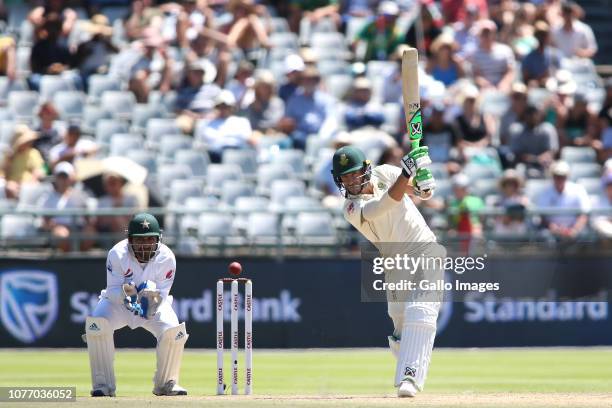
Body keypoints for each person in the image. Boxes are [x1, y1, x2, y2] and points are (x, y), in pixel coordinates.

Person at [331, 144, 442, 398]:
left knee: (421, 310)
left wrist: (425, 186)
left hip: (425, 249)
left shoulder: (386, 173)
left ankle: (409, 378)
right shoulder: (351, 209)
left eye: (354, 173)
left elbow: (416, 191)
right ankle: (408, 362)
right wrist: (406, 174)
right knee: (400, 329)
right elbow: (383, 205)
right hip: (394, 263)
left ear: (366, 169)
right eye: (345, 177)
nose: (350, 180)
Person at [84, 213, 188, 397]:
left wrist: (150, 302)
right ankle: (103, 384)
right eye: (139, 239)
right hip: (119, 306)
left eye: (150, 239)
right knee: (97, 325)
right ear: (129, 239)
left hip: (152, 306)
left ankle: (166, 384)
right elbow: (112, 289)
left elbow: (163, 295)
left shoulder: (167, 257)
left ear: (158, 239)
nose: (145, 244)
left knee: (174, 331)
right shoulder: (117, 253)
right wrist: (126, 295)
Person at [38, 161, 95, 252]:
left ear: (71, 178)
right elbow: (44, 221)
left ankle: (82, 258)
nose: (63, 180)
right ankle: (69, 258)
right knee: (62, 235)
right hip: (58, 228)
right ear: (56, 178)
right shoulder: (47, 198)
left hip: (79, 227)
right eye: (60, 177)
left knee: (89, 233)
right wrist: (52, 226)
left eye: (66, 177)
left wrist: (87, 226)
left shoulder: (80, 195)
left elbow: (88, 217)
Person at [536, 160, 590, 240]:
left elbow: (584, 214)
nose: (559, 179)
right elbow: (542, 216)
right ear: (552, 176)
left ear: (567, 176)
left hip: (575, 231)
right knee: (544, 236)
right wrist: (553, 227)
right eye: (557, 176)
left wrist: (575, 229)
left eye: (563, 176)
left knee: (585, 237)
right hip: (552, 232)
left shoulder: (578, 189)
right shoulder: (545, 192)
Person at [194, 90, 252, 162]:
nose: (222, 109)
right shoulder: (205, 123)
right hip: (215, 158)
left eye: (225, 106)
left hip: (238, 156)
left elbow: (248, 140)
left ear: (232, 107)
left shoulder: (242, 121)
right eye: (219, 106)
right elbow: (199, 145)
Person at [468, 19, 515, 93]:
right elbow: (476, 75)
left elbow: (510, 71)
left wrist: (504, 84)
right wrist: (486, 85)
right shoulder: (475, 54)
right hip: (483, 89)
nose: (486, 36)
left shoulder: (506, 50)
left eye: (488, 33)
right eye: (484, 34)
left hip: (503, 87)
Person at [521, 21, 560, 87]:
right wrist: (537, 81)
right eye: (539, 35)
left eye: (544, 35)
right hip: (535, 89)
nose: (542, 38)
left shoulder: (555, 54)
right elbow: (526, 77)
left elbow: (559, 73)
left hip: (553, 88)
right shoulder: (529, 57)